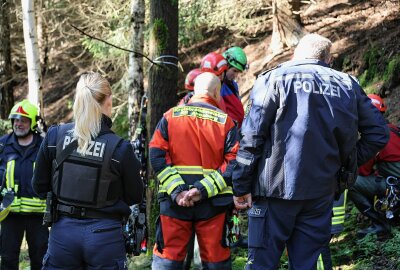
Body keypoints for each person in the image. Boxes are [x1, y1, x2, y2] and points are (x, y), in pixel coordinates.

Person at [232, 33, 389, 269]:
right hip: (322, 190)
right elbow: (378, 133)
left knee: (262, 263)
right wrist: (344, 166)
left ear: (295, 54)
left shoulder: (273, 78)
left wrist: (241, 185)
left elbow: (252, 136)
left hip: (273, 191)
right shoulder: (347, 84)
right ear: (329, 59)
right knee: (309, 264)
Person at [32, 72, 143, 269]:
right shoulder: (119, 148)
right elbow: (134, 195)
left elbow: (39, 186)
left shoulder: (55, 137)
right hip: (105, 236)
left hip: (62, 235)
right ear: (108, 100)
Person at [149, 72, 239, 269]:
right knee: (215, 260)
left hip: (175, 204)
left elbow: (156, 156)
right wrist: (201, 190)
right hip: (213, 204)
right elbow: (233, 162)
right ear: (217, 93)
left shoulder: (170, 116)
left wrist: (178, 190)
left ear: (194, 91)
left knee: (168, 259)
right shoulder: (227, 123)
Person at [0, 99, 48, 270]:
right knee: (7, 259)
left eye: (24, 120)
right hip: (9, 215)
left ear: (33, 122)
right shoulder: (2, 145)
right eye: (16, 120)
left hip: (38, 216)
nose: (18, 124)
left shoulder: (44, 146)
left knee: (40, 260)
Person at [348, 94, 400, 237]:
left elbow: (363, 171)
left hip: (396, 189)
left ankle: (380, 225)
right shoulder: (394, 130)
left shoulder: (375, 138)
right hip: (395, 184)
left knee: (351, 182)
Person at [221, 46, 248, 128]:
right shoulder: (216, 86)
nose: (235, 75)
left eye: (238, 72)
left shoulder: (233, 84)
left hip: (236, 130)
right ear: (226, 66)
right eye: (234, 71)